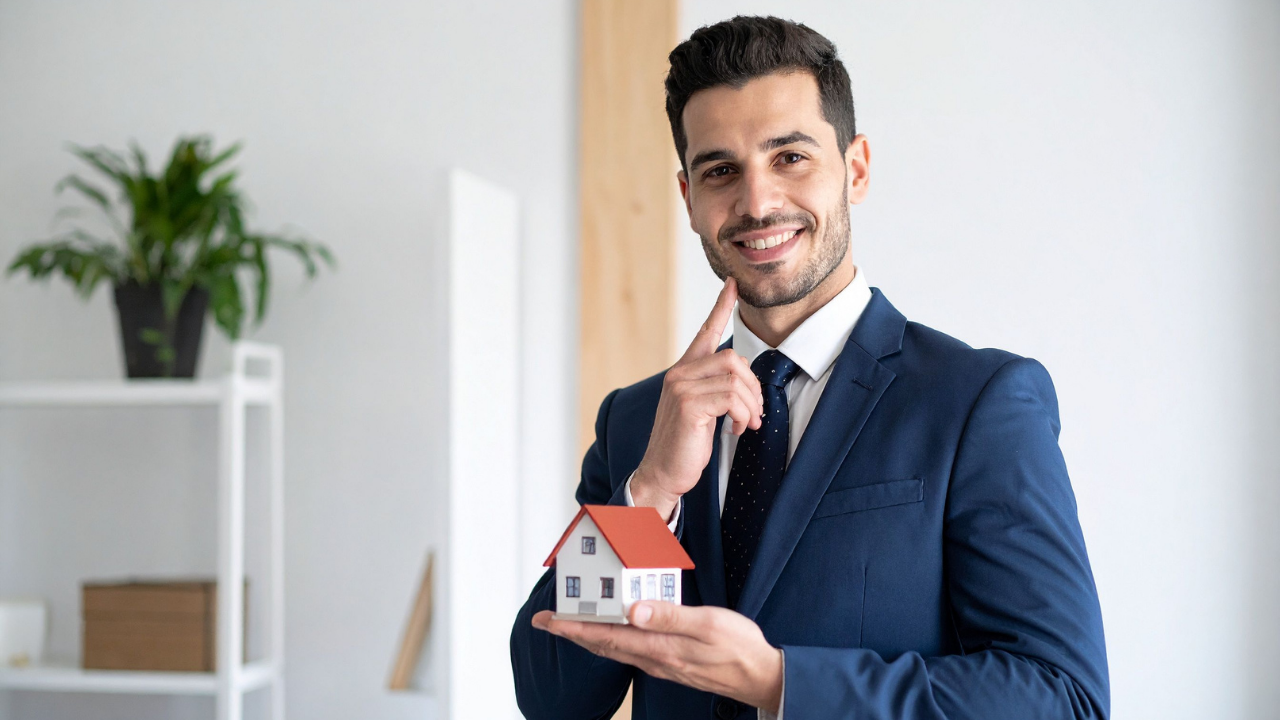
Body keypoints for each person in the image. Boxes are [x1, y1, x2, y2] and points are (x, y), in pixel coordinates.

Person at [510, 15, 1108, 720]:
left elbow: (1061, 698)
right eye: (721, 171)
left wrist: (778, 683)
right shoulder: (638, 422)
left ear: (855, 169)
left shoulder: (977, 403)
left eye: (789, 157)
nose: (758, 203)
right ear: (689, 201)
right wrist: (647, 497)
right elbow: (552, 695)